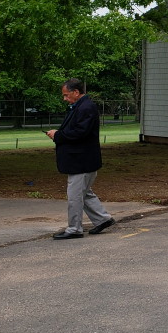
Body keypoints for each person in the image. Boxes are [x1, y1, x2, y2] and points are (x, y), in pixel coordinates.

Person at [46, 79, 115, 239]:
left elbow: (79, 133)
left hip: (81, 161)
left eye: (66, 95)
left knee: (75, 196)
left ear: (76, 92)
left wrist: (58, 135)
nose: (64, 98)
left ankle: (74, 229)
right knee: (84, 193)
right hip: (83, 160)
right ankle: (102, 219)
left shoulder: (86, 107)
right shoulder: (81, 107)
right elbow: (78, 130)